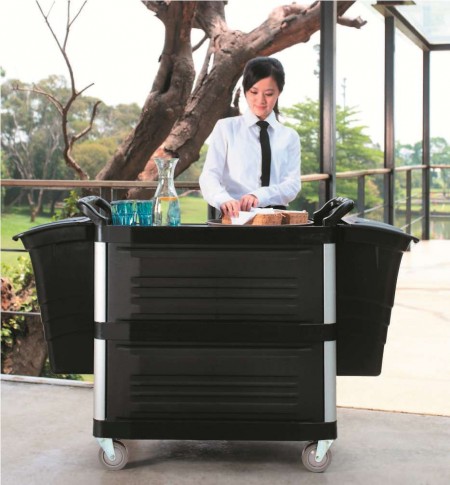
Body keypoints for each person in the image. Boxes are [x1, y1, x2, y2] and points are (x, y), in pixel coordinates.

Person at [199, 56, 301, 218]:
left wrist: (259, 196)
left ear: (279, 92)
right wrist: (223, 199)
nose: (260, 100)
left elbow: (292, 184)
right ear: (245, 90)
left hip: (276, 219)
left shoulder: (289, 136)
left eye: (269, 94)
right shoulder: (226, 128)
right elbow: (209, 175)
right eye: (254, 92)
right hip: (234, 216)